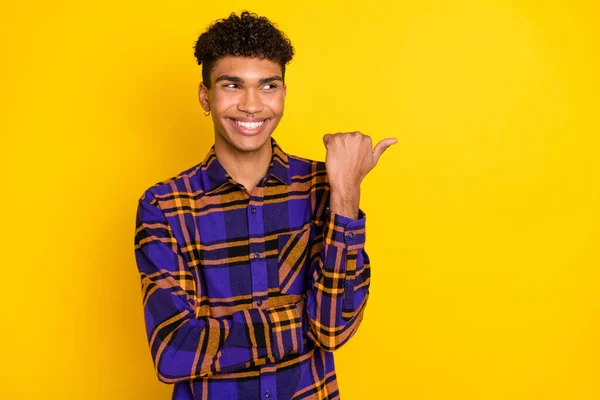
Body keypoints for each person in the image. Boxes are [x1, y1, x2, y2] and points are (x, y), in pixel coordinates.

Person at [133, 10, 396, 400]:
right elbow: (174, 352)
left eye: (268, 86)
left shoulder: (326, 187)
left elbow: (332, 331)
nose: (252, 105)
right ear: (206, 96)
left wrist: (346, 196)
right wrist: (300, 319)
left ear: (284, 94)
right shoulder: (165, 206)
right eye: (233, 85)